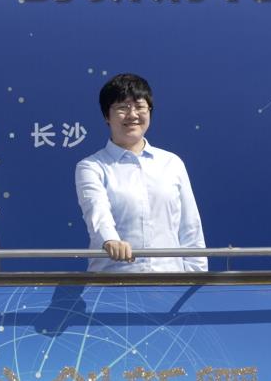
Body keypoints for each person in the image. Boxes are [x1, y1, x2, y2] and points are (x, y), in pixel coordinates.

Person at [74, 73, 206, 272]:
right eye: (122, 107)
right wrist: (111, 240)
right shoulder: (92, 166)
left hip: (170, 280)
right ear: (106, 116)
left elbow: (190, 227)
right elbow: (97, 212)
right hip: (113, 280)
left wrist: (197, 278)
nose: (132, 114)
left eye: (140, 106)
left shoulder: (172, 163)